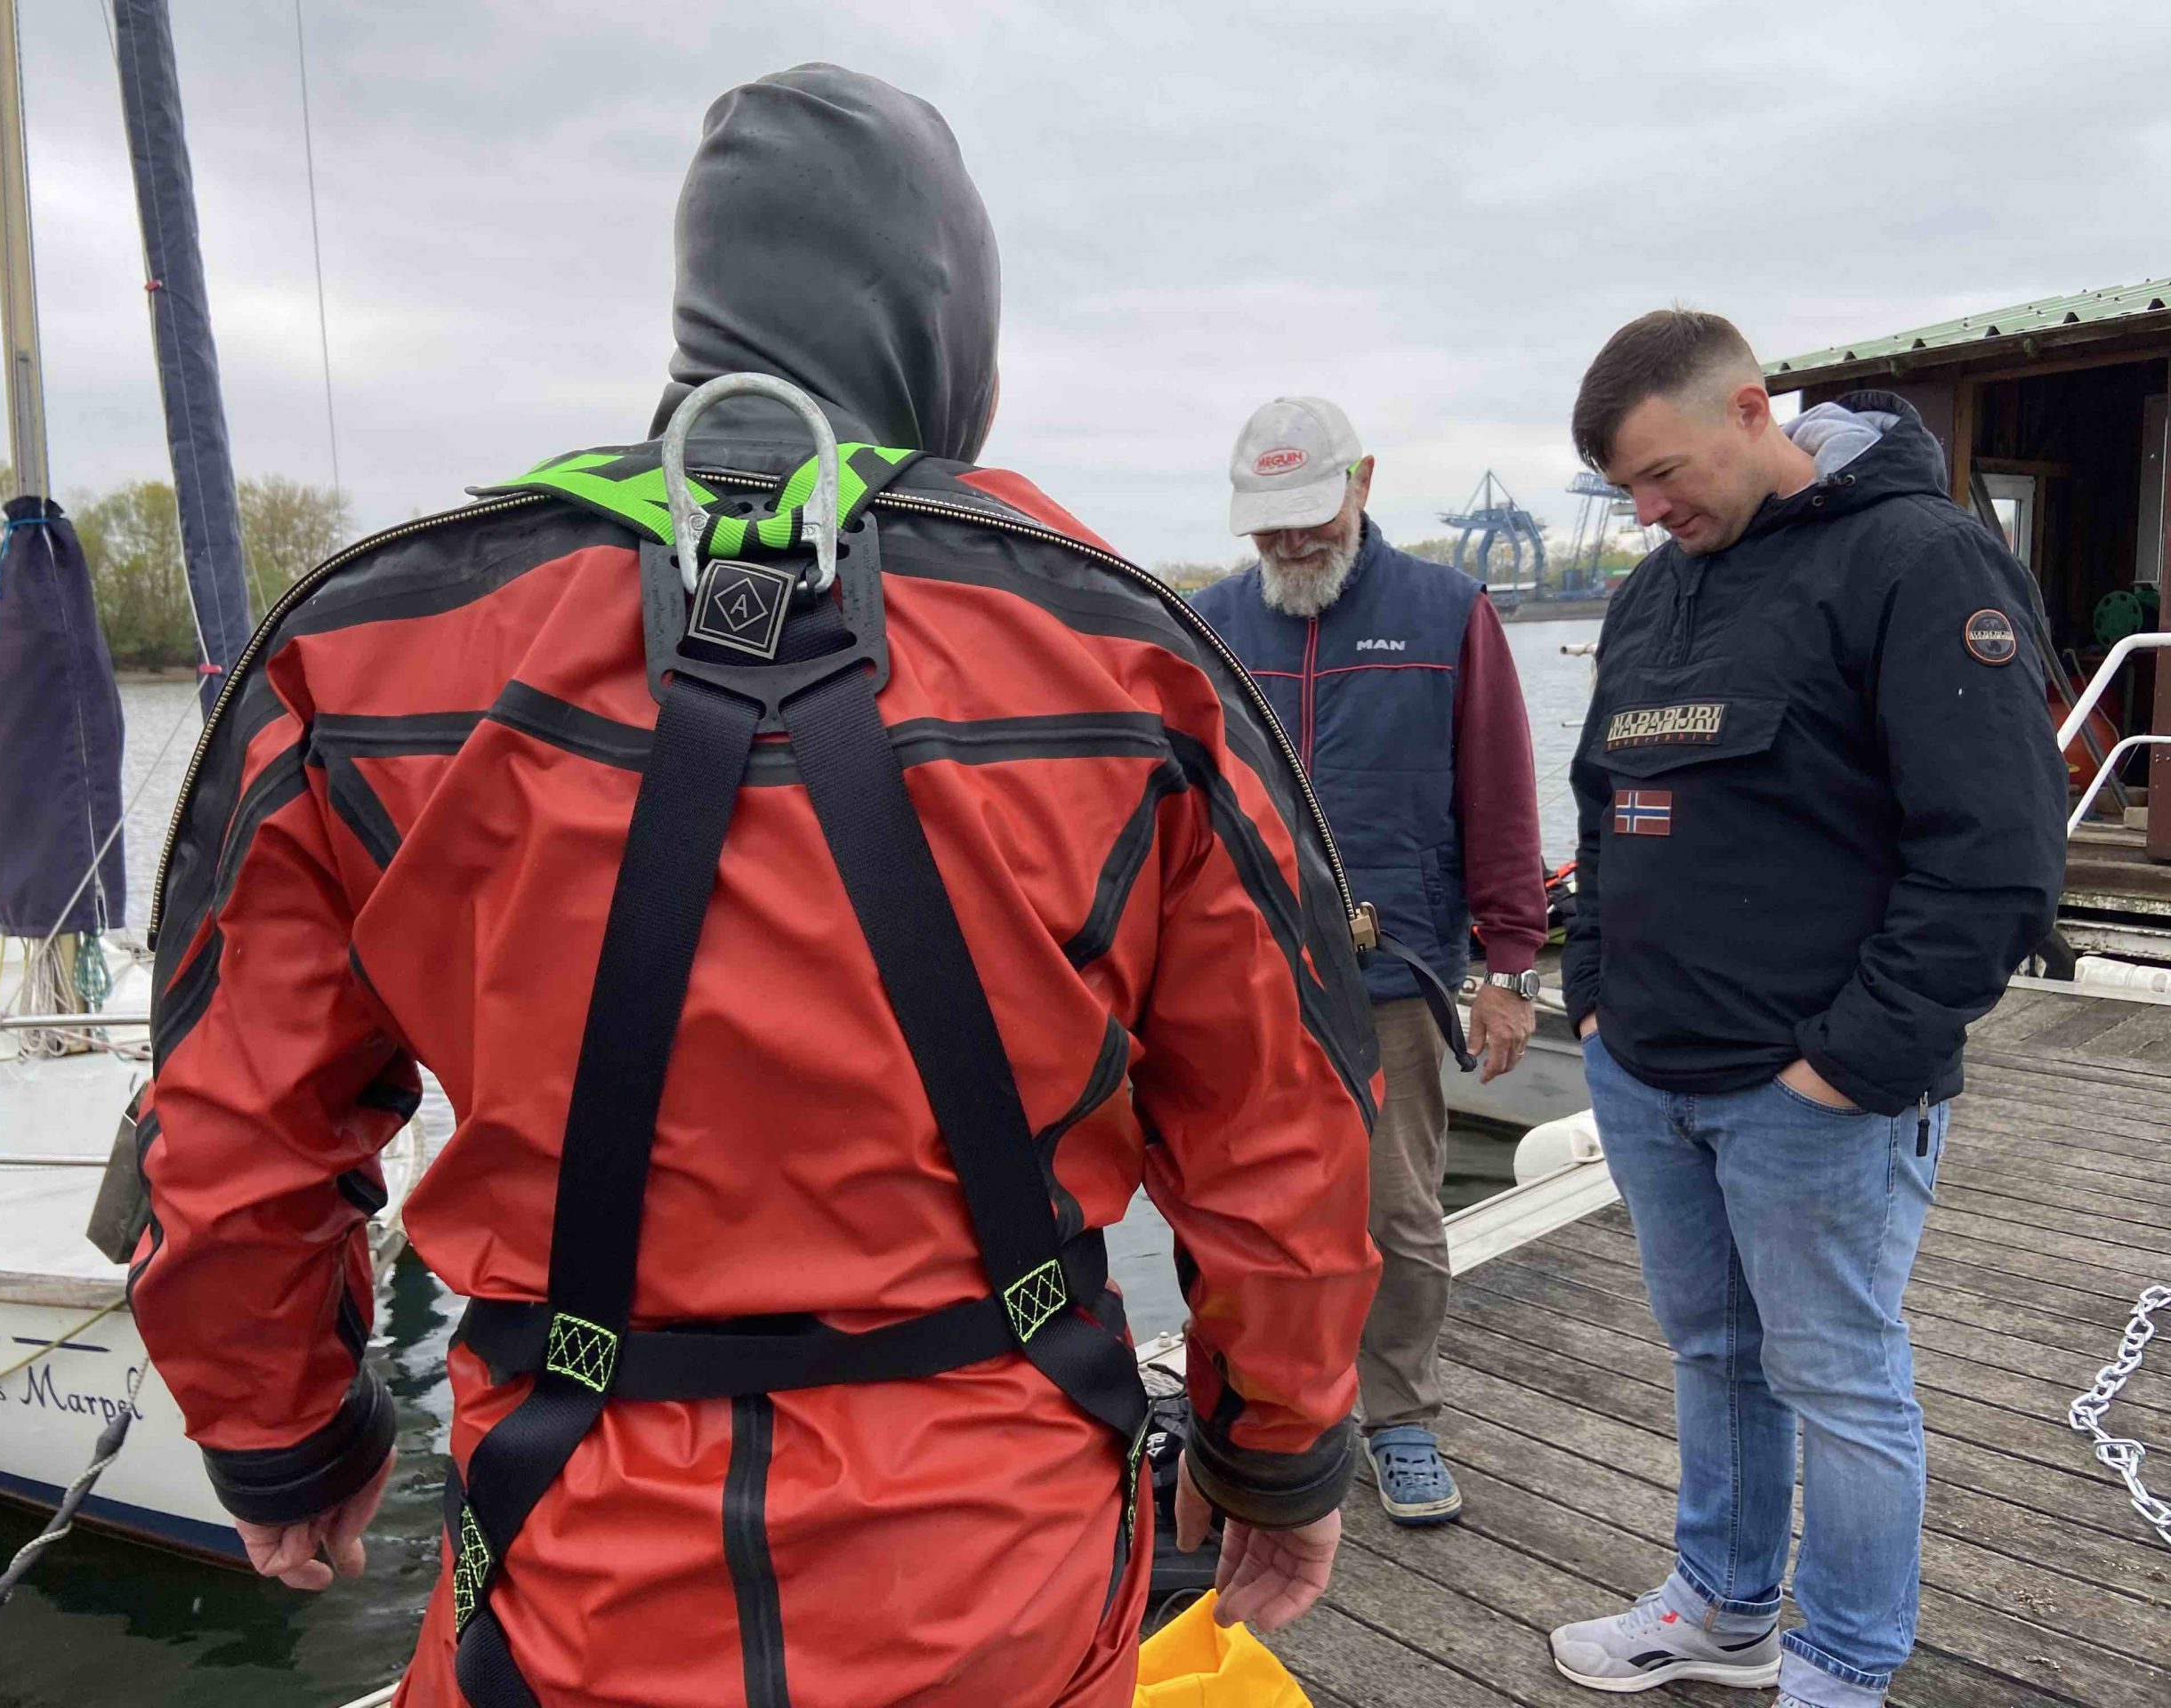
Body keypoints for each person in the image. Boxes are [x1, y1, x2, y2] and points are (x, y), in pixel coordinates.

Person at [132, 66, 1384, 1707]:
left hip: (570, 1572)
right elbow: (1284, 1132)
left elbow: (233, 1125)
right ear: (951, 328)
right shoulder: (1125, 658)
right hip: (997, 1569)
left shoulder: (371, 651)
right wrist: (1277, 1457)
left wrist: (284, 1439)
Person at [1548, 310, 2064, 1708]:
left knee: (1839, 1384)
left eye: (1663, 474)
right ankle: (1724, 1609)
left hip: (1813, 1095)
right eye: (1626, 490)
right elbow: (1605, 808)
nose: (1648, 512)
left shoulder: (1916, 559)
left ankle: (1842, 1660)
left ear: (1750, 409)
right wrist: (1591, 998)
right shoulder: (1656, 594)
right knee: (1714, 1357)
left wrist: (1847, 1067)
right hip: (1648, 1072)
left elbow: (1998, 857)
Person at [1190, 399, 1548, 1527]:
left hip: (1392, 978)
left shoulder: (1447, 612)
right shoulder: (1205, 625)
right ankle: (1257, 1416)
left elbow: (1500, 799)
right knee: (1242, 1212)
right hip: (1240, 981)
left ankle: (1397, 1418)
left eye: (1311, 513)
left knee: (1396, 1214)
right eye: (1269, 523)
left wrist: (1509, 967)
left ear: (1363, 481)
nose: (1293, 541)